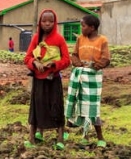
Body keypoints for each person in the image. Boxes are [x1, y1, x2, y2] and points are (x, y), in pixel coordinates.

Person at [23, 9, 70, 149]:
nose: (47, 24)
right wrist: (35, 63)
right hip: (38, 78)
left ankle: (60, 138)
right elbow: (27, 58)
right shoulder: (36, 38)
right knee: (36, 107)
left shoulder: (59, 39)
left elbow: (66, 60)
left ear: (55, 22)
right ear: (40, 22)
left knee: (56, 105)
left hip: (53, 78)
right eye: (44, 21)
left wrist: (54, 64)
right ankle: (32, 137)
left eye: (50, 21)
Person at [65, 14, 111, 147]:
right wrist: (78, 63)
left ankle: (98, 136)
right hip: (79, 74)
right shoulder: (80, 39)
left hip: (92, 76)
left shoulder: (102, 40)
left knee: (92, 106)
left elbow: (106, 59)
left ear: (92, 27)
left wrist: (95, 66)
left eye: (83, 26)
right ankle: (68, 130)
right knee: (74, 101)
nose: (81, 28)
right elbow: (74, 55)